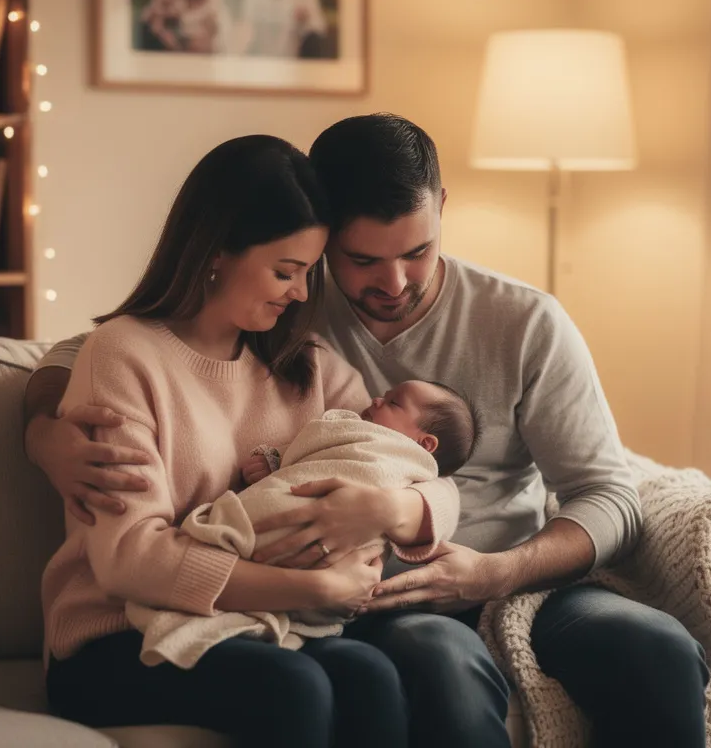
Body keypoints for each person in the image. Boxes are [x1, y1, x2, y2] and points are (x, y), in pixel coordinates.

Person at [25, 114, 709, 748]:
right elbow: (92, 351)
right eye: (361, 260)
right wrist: (42, 433)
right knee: (426, 663)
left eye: (417, 250)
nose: (396, 280)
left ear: (443, 205)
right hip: (381, 596)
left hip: (509, 571)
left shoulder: (515, 323)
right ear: (325, 242)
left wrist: (469, 554)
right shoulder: (288, 314)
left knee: (657, 648)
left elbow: (608, 494)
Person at [34, 133, 460, 748]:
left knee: (371, 674)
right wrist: (311, 587)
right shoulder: (124, 357)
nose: (301, 294)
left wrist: (403, 509)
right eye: (285, 272)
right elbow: (128, 559)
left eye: (310, 272)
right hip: (114, 637)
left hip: (255, 625)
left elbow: (415, 468)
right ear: (215, 253)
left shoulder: (305, 364)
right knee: (295, 689)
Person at [128, 379, 479, 670]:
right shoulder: (360, 425)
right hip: (298, 579)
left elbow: (443, 488)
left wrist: (391, 507)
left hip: (353, 578)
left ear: (424, 445)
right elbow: (316, 451)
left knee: (377, 670)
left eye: (392, 402)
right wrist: (277, 460)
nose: (376, 398)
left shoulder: (333, 381)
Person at [234, 0, 328, 58]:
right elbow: (243, 32)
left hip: (293, 65)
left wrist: (306, 20)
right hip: (259, 64)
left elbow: (319, 28)